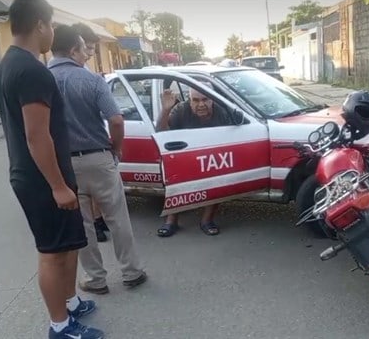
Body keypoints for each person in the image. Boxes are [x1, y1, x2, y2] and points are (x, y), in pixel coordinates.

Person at [0, 0, 102, 338]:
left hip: (43, 173)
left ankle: (69, 304)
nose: (52, 32)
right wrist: (57, 185)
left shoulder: (9, 65)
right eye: (51, 24)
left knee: (68, 244)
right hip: (42, 178)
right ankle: (60, 326)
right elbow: (37, 136)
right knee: (52, 252)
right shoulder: (30, 70)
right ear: (40, 24)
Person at [48, 24, 147, 295]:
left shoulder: (43, 80)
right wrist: (116, 149)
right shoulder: (91, 80)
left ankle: (96, 279)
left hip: (65, 164)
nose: (87, 55)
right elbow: (116, 119)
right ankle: (132, 272)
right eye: (84, 49)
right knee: (117, 217)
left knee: (82, 225)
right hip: (99, 157)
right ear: (72, 50)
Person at [155, 83, 234, 237]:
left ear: (212, 99)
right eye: (196, 100)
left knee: (218, 177)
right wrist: (165, 110)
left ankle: (207, 220)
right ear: (189, 100)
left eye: (205, 99)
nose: (201, 104)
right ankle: (171, 220)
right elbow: (161, 131)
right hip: (186, 155)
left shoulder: (222, 111)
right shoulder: (181, 109)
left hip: (211, 155)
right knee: (176, 176)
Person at [71, 22, 110, 242]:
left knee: (93, 191)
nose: (91, 54)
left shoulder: (87, 73)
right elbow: (113, 117)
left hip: (90, 143)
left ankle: (97, 220)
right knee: (87, 193)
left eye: (93, 49)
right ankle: (94, 223)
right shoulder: (84, 76)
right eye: (89, 49)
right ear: (76, 46)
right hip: (85, 146)